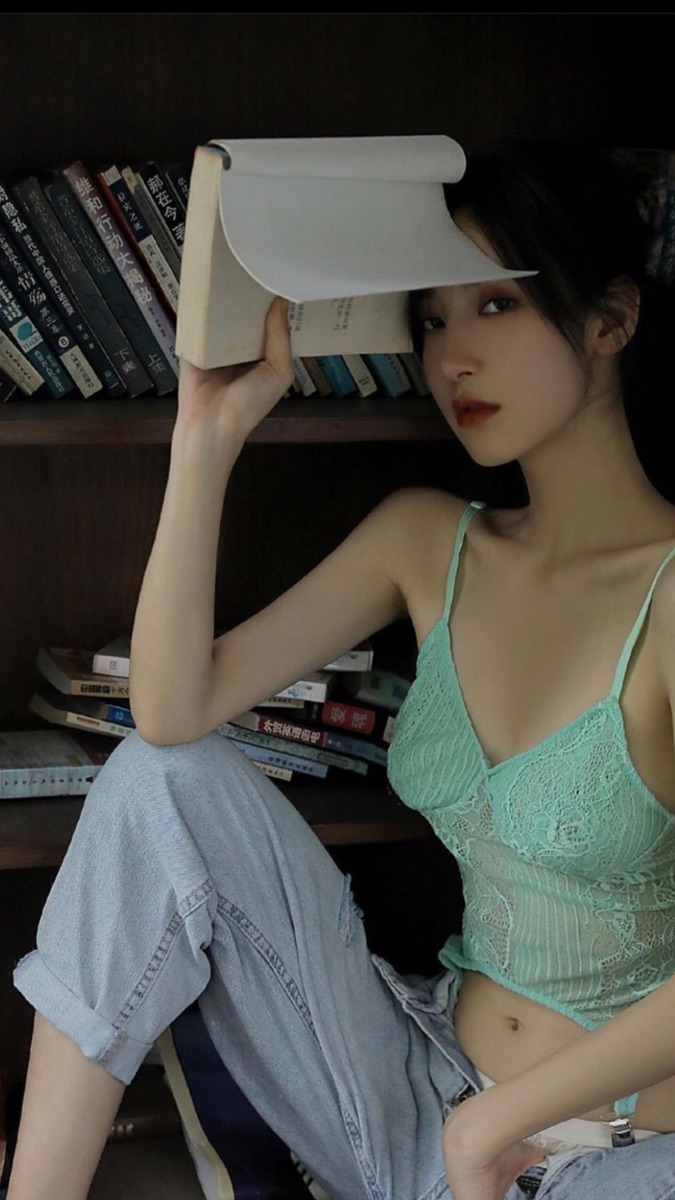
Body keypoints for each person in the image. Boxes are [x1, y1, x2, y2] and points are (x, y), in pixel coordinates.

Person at [7, 139, 675, 1200]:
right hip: (413, 1094)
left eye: (494, 305)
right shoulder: (425, 540)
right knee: (159, 780)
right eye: (431, 319)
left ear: (610, 320)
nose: (452, 358)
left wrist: (495, 1128)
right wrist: (205, 437)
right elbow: (170, 715)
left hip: (622, 1159)